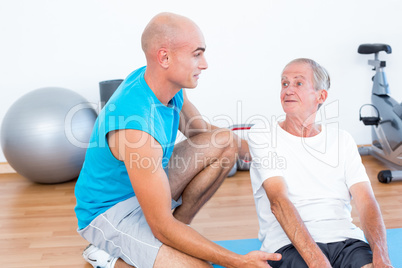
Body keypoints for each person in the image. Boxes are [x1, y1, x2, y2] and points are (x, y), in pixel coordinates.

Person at [74, 12, 281, 268]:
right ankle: (107, 255)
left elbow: (200, 131)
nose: (204, 64)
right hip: (110, 214)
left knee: (225, 142)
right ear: (165, 57)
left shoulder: (164, 85)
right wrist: (238, 261)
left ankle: (167, 239)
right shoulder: (135, 129)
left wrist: (269, 152)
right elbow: (161, 225)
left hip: (148, 188)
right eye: (197, 54)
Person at [247, 58, 393, 268]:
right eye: (284, 83)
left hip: (347, 241)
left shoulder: (342, 139)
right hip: (289, 244)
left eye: (298, 83)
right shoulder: (263, 134)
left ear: (321, 95)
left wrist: (381, 256)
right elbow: (278, 202)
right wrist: (319, 263)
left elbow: (366, 201)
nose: (288, 90)